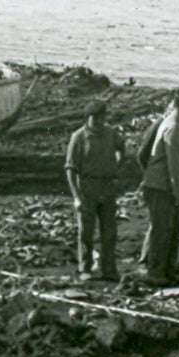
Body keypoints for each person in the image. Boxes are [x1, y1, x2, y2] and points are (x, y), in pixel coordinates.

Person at [137, 86, 179, 287]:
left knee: (170, 230)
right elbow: (174, 165)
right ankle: (155, 271)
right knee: (162, 230)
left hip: (164, 185)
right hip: (162, 187)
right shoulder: (173, 127)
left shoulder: (175, 124)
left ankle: (166, 268)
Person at [65, 100, 124, 280]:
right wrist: (76, 196)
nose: (99, 122)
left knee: (109, 232)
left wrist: (117, 165)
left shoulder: (110, 133)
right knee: (86, 233)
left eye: (101, 118)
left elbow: (121, 147)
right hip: (87, 189)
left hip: (107, 187)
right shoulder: (79, 137)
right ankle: (85, 268)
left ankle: (109, 269)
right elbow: (70, 168)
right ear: (88, 118)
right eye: (95, 118)